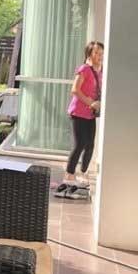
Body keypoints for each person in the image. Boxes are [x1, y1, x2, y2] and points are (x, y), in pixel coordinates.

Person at [55, 41, 104, 200]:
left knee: (90, 145)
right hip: (78, 112)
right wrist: (91, 102)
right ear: (89, 54)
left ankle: (83, 173)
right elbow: (75, 90)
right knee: (80, 144)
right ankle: (69, 175)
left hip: (90, 114)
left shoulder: (101, 71)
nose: (99, 56)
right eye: (96, 52)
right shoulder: (84, 69)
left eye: (101, 53)